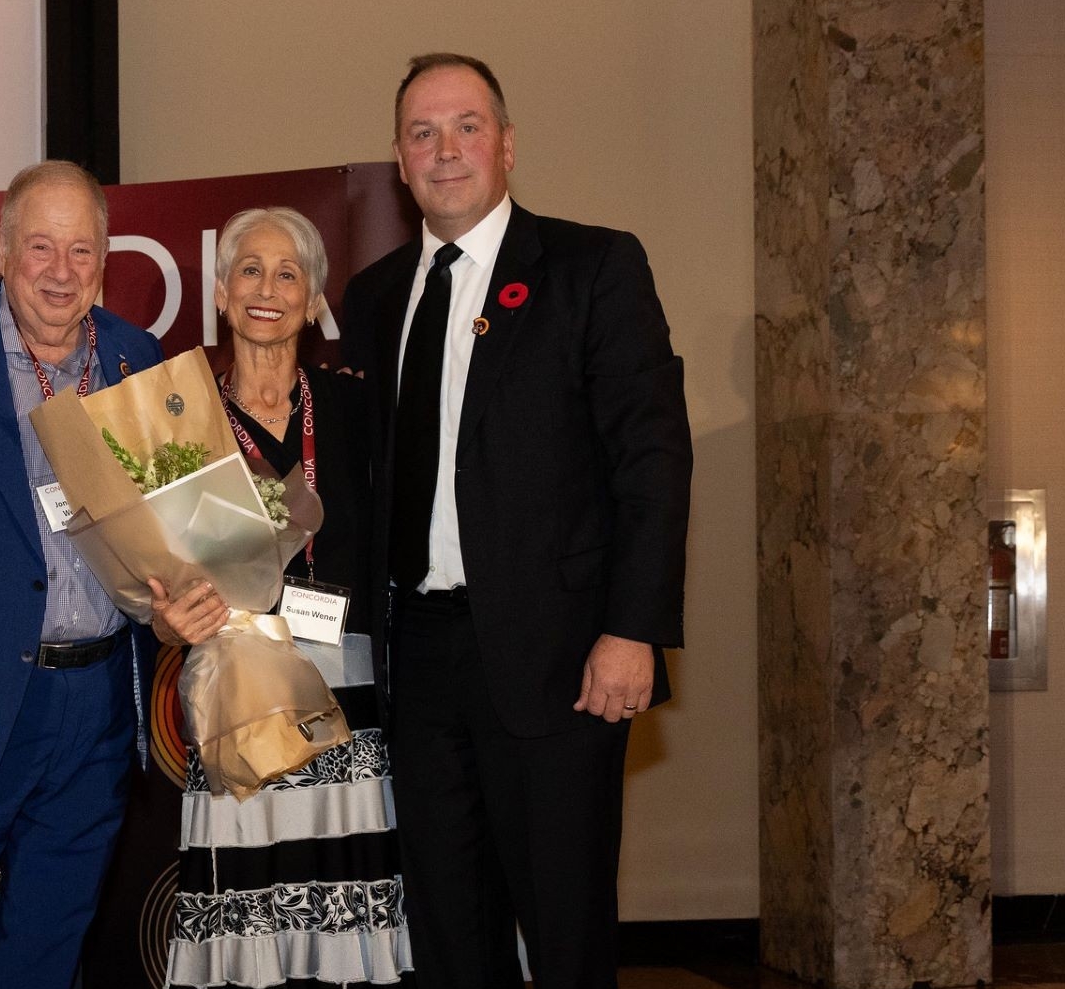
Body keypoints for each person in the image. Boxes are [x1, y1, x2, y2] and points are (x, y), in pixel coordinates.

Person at [339, 53, 694, 989]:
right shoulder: (373, 299)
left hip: (562, 663)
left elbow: (653, 460)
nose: (445, 149)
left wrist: (633, 629)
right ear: (398, 159)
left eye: (465, 126)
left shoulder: (592, 266)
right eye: (423, 132)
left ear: (507, 144)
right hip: (416, 666)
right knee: (452, 939)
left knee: (567, 933)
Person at [0, 160, 226, 988]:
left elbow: (172, 531)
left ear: (102, 260)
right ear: (2, 250)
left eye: (81, 252)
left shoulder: (135, 358)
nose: (61, 272)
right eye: (41, 248)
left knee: (51, 939)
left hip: (92, 706)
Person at [166, 207, 414, 988]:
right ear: (220, 292)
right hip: (240, 696)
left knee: (346, 919)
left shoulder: (360, 411)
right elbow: (157, 572)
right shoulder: (182, 423)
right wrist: (164, 611)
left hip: (350, 705)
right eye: (249, 270)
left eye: (287, 273)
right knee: (250, 920)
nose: (266, 289)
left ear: (314, 301)